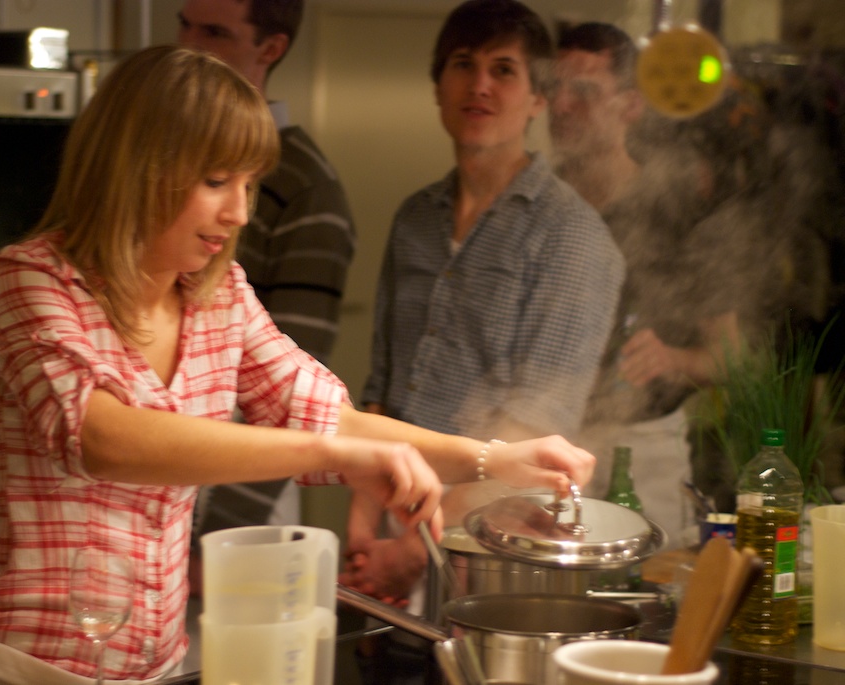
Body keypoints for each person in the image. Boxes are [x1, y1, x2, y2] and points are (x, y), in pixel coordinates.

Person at [0, 45, 596, 684]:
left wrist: (494, 458)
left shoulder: (218, 295)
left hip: (153, 665)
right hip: (16, 667)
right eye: (216, 181)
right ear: (137, 167)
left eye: (250, 184)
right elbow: (102, 438)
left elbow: (328, 417)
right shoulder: (32, 281)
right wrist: (330, 452)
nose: (240, 212)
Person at [340, 0, 624, 608]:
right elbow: (383, 386)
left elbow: (538, 423)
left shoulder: (572, 235)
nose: (480, 85)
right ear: (437, 87)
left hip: (494, 542)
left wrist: (415, 552)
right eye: (463, 64)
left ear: (538, 96)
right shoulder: (415, 219)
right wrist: (363, 524)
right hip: (395, 518)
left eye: (504, 70)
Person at [548, 22, 743, 542]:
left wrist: (673, 359)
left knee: (650, 587)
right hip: (542, 447)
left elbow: (730, 357)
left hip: (645, 451)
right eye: (552, 87)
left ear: (631, 104)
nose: (561, 105)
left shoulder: (678, 209)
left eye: (583, 90)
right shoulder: (535, 202)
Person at [177, 0, 356, 556]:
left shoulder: (307, 187)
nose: (189, 46)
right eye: (184, 25)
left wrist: (219, 535)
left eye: (214, 32)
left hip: (241, 499)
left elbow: (292, 397)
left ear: (271, 48)